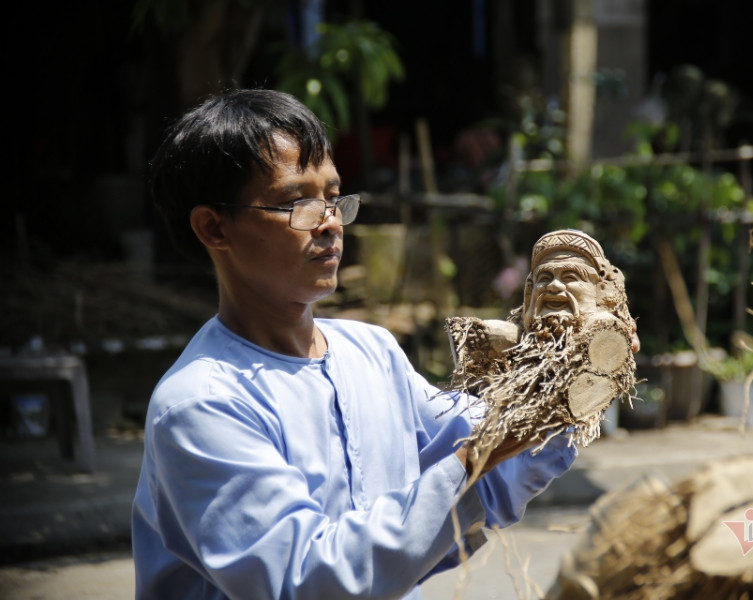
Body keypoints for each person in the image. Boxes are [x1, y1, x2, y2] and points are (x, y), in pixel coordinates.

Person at [131, 88, 577, 600]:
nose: (329, 222)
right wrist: (475, 458)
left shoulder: (371, 352)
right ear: (214, 227)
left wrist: (570, 384)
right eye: (296, 202)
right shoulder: (201, 405)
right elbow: (304, 580)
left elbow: (488, 470)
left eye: (334, 196)